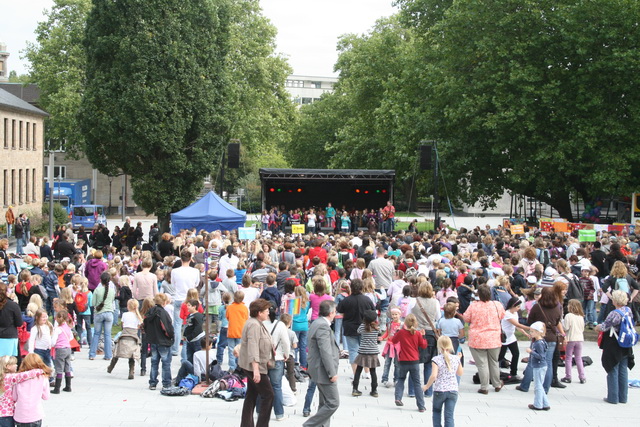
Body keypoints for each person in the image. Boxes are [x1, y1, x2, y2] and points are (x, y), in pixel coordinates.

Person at [516, 287, 565, 394]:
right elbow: (557, 321)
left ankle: (525, 385)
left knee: (532, 362)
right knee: (548, 363)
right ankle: (545, 388)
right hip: (552, 337)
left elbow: (530, 321)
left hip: (538, 336)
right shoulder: (558, 306)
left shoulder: (537, 306)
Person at [238, 299, 276, 427]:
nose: (268, 313)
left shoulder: (256, 323)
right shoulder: (254, 325)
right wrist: (256, 369)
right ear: (259, 312)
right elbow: (253, 346)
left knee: (252, 394)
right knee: (268, 395)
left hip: (253, 365)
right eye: (266, 311)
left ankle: (246, 424)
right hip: (255, 366)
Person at [462, 284, 505, 395]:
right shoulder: (497, 305)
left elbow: (466, 318)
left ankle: (484, 386)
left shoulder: (474, 306)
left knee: (482, 364)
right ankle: (497, 383)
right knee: (494, 362)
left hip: (477, 338)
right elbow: (502, 316)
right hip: (494, 337)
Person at [303, 300, 340, 427]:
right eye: (335, 312)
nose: (335, 314)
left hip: (318, 368)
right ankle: (309, 425)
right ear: (330, 313)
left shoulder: (317, 322)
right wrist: (332, 373)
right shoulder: (323, 326)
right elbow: (325, 351)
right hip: (323, 370)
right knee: (333, 402)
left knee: (324, 402)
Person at [595, 290, 635, 404]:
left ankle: (613, 397)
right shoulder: (628, 310)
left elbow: (604, 327)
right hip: (626, 343)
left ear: (616, 300)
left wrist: (597, 327)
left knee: (613, 368)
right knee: (623, 370)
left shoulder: (614, 313)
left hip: (614, 343)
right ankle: (623, 397)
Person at [336, 279, 375, 375]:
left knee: (353, 351)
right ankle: (367, 372)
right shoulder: (367, 300)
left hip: (350, 328)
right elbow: (373, 312)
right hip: (365, 328)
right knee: (365, 350)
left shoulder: (347, 300)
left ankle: (355, 374)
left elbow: (339, 309)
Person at [423, 336, 464, 427]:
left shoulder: (436, 359)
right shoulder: (455, 358)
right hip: (453, 390)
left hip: (440, 390)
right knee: (449, 416)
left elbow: (434, 376)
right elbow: (460, 373)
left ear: (439, 346)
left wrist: (426, 386)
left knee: (437, 412)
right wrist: (459, 360)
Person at [390, 313, 427, 411]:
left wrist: (396, 332)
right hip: (414, 361)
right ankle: (421, 406)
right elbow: (423, 345)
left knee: (401, 379)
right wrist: (423, 337)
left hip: (403, 360)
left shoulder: (401, 332)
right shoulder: (417, 333)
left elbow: (393, 341)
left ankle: (398, 398)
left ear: (405, 323)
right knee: (417, 383)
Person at [263, 302, 291, 421]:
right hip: (277, 358)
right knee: (276, 386)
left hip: (263, 358)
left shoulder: (261, 324)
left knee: (262, 387)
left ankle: (260, 411)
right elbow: (285, 342)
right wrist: (286, 354)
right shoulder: (280, 325)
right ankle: (279, 414)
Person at [170, 250, 200, 356]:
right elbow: (196, 284)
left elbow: (173, 284)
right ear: (190, 258)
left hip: (179, 298)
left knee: (177, 325)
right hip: (189, 299)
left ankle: (175, 349)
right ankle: (185, 348)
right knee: (188, 325)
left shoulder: (175, 271)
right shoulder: (195, 271)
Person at [0, 354, 45, 426]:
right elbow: (23, 375)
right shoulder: (10, 377)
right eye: (14, 364)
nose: (17, 365)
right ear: (7, 366)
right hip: (6, 414)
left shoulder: (2, 377)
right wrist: (39, 370)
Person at [144, 293, 175, 390]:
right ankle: (166, 383)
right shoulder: (163, 313)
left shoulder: (149, 312)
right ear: (165, 302)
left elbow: (145, 325)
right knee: (165, 362)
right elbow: (167, 328)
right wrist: (171, 336)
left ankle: (152, 382)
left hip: (153, 340)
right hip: (163, 341)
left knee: (154, 362)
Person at [11, 353, 51, 427]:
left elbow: (14, 397)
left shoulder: (18, 378)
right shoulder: (43, 378)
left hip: (21, 415)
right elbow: (46, 397)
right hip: (35, 414)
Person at [107, 299, 142, 380]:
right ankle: (131, 371)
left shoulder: (125, 314)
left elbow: (122, 325)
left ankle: (111, 367)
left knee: (116, 352)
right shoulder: (138, 316)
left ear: (128, 306)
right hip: (133, 336)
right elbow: (138, 327)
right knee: (132, 355)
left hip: (124, 335)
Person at [498, 297, 530, 378]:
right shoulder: (507, 314)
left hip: (511, 337)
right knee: (500, 356)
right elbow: (517, 324)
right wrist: (530, 328)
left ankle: (513, 372)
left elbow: (517, 326)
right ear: (513, 306)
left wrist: (525, 333)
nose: (519, 309)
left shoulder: (515, 314)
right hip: (504, 338)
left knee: (516, 354)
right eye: (518, 307)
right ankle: (494, 370)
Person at [351, 309, 380, 397]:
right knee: (373, 371)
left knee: (358, 370)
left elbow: (358, 331)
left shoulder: (362, 326)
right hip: (373, 352)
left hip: (363, 351)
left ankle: (355, 389)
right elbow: (378, 334)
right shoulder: (376, 328)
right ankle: (374, 390)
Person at [89, 272, 116, 361]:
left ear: (100, 280)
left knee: (97, 333)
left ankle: (92, 354)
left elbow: (93, 303)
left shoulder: (97, 290)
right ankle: (108, 355)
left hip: (99, 313)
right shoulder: (112, 291)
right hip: (109, 313)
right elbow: (112, 301)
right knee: (107, 334)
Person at [526, 321, 550, 411]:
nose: (530, 333)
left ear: (538, 332)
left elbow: (541, 356)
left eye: (532, 332)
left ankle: (538, 404)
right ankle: (545, 403)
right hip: (540, 366)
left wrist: (531, 352)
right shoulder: (541, 341)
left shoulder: (539, 343)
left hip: (539, 366)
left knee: (538, 386)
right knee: (539, 385)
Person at [561, 299, 586, 384]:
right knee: (578, 358)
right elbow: (582, 329)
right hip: (579, 339)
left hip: (571, 338)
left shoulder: (568, 316)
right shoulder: (581, 317)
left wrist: (562, 323)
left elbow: (566, 327)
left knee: (568, 358)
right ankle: (582, 376)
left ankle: (568, 376)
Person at [50, 309, 73, 394]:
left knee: (59, 368)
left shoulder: (57, 329)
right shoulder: (67, 327)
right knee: (67, 367)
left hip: (60, 349)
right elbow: (71, 338)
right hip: (68, 348)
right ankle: (68, 386)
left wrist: (51, 345)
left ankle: (57, 388)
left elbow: (53, 341)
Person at [226, 290, 249, 372]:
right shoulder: (244, 308)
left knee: (231, 350)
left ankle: (232, 367)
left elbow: (227, 317)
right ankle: (240, 366)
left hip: (231, 331)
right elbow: (246, 318)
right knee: (240, 350)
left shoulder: (229, 307)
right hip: (241, 331)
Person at [0, 283, 23, 359]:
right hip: (9, 336)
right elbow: (19, 323)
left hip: (8, 336)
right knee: (9, 363)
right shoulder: (13, 306)